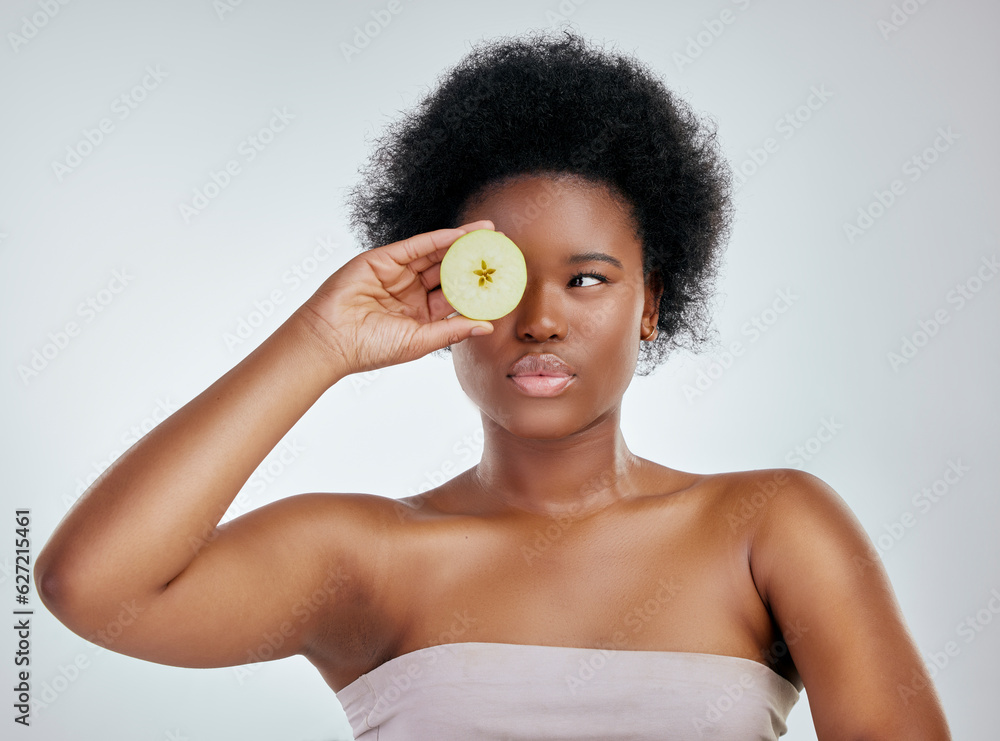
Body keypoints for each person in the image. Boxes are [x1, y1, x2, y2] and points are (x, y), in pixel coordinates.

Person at [35, 30, 951, 740]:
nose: (540, 319)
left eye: (587, 278)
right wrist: (320, 339)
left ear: (651, 303)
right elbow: (92, 586)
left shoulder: (770, 525)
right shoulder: (369, 557)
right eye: (498, 278)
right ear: (440, 296)